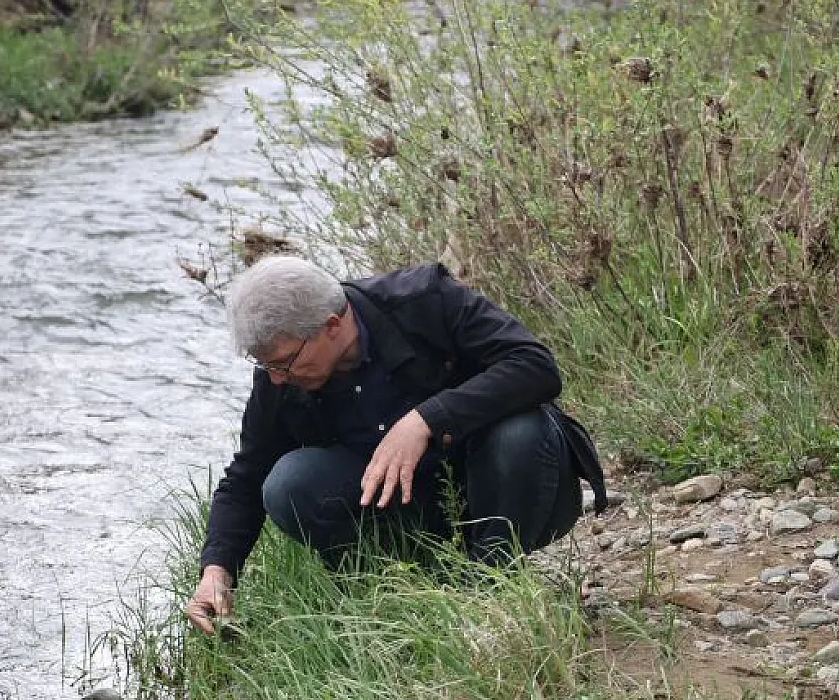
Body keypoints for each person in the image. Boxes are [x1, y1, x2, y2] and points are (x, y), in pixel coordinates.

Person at [184, 256, 606, 635]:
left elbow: (536, 366)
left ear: (332, 325)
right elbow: (247, 476)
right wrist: (217, 570)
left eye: (283, 362)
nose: (276, 378)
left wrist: (428, 419)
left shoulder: (425, 299)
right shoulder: (282, 378)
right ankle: (402, 596)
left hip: (514, 486)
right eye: (265, 366)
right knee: (287, 483)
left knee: (520, 430)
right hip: (414, 511)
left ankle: (490, 593)